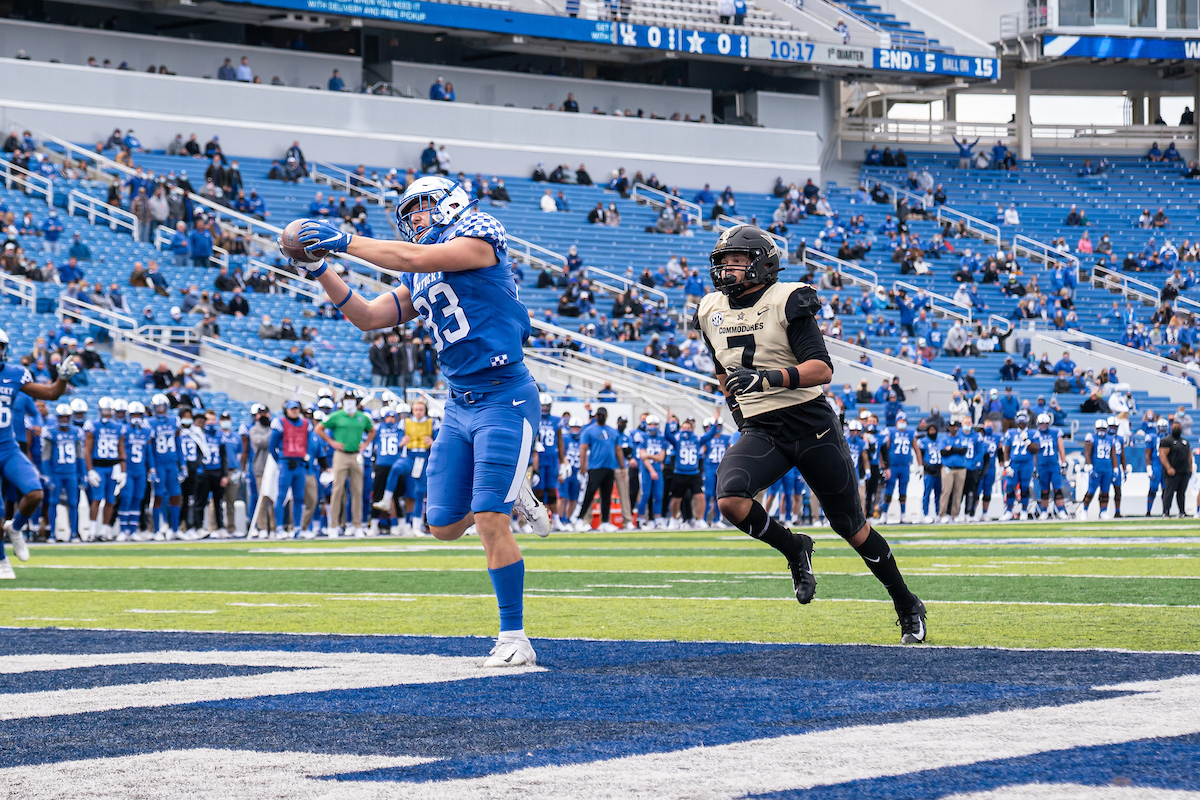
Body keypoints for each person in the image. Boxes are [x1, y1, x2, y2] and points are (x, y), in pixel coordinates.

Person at [290, 175, 550, 667]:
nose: (415, 219)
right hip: (458, 405)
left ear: (451, 203)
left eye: (422, 207)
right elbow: (369, 316)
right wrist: (322, 270)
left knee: (489, 516)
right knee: (443, 526)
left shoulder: (481, 231)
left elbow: (412, 258)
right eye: (408, 213)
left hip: (505, 396)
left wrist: (343, 240)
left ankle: (514, 636)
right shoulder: (421, 273)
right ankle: (510, 489)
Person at [694, 225, 926, 644]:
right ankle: (794, 548)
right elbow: (722, 372)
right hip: (764, 428)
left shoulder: (787, 299)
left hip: (811, 425)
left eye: (738, 261)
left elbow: (821, 369)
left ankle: (907, 603)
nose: (728, 269)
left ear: (762, 263)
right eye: (724, 262)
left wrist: (766, 379)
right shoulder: (710, 309)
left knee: (851, 527)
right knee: (731, 499)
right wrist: (741, 415)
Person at [0, 328, 75, 569]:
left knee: (35, 492)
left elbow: (51, 393)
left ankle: (16, 528)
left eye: (0, 346)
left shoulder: (14, 374)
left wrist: (62, 378)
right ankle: (1, 561)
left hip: (8, 447)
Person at [1077, 418, 1119, 520]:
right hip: (1096, 468)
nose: (1101, 431)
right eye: (1099, 429)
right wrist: (1090, 466)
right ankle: (1084, 510)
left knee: (1105, 491)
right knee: (1091, 491)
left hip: (1107, 469)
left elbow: (1113, 455)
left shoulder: (1110, 439)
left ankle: (1103, 511)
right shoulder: (1092, 438)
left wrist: (1115, 469)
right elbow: (1087, 452)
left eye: (1103, 429)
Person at [1032, 413, 1068, 519]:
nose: (1043, 425)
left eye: (1045, 423)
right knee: (1044, 489)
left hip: (1054, 465)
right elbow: (1035, 453)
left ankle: (1061, 510)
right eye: (1041, 423)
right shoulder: (1036, 435)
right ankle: (1044, 511)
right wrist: (1034, 467)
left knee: (1057, 488)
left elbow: (1061, 449)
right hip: (1042, 466)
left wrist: (1063, 463)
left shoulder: (1055, 432)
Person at [1001, 411, 1036, 520]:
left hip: (1027, 464)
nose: (1021, 424)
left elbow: (1036, 449)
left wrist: (1027, 441)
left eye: (1023, 422)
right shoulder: (1011, 433)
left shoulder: (1032, 433)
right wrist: (1007, 464)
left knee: (1024, 487)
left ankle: (1024, 510)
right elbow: (1006, 449)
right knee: (1010, 486)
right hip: (1014, 464)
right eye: (1019, 422)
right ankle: (1008, 511)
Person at [1159, 417, 1193, 517]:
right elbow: (1163, 455)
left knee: (1181, 493)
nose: (1176, 429)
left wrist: (1190, 468)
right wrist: (1168, 467)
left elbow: (1189, 455)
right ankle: (1166, 512)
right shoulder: (1166, 441)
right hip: (1172, 471)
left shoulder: (1184, 441)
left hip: (1184, 471)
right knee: (1169, 492)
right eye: (1175, 427)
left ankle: (1182, 512)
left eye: (1178, 427)